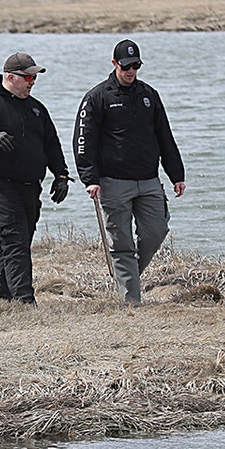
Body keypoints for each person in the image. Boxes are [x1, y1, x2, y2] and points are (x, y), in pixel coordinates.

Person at [73, 39, 186, 304]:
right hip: (113, 182)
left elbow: (164, 136)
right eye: (126, 66)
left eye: (135, 66)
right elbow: (83, 140)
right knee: (122, 243)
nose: (130, 71)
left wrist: (176, 174)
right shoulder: (97, 97)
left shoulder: (149, 95)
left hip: (148, 179)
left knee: (155, 231)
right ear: (114, 64)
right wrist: (89, 178)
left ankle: (127, 275)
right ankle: (131, 302)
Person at [0, 52, 72, 306]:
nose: (32, 81)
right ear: (10, 77)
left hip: (30, 186)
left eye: (34, 77)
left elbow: (51, 144)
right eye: (27, 77)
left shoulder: (36, 108)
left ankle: (1, 297)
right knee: (15, 240)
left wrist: (61, 175)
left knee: (19, 241)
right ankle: (25, 302)